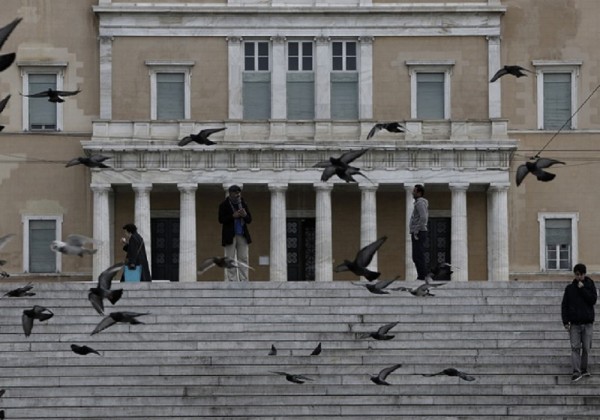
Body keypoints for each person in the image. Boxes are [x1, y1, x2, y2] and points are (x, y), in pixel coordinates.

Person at [562, 263, 597, 382]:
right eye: (576, 275)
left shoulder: (590, 285)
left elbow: (592, 300)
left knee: (586, 348)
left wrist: (583, 289)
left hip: (587, 323)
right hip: (575, 324)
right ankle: (576, 371)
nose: (577, 277)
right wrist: (565, 322)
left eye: (579, 275)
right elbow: (564, 305)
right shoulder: (570, 288)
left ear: (584, 274)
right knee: (575, 348)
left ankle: (584, 369)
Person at [218, 185, 252, 281]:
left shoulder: (243, 204)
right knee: (230, 258)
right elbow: (221, 220)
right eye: (236, 193)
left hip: (242, 234)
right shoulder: (224, 205)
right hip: (230, 235)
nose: (238, 195)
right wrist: (233, 216)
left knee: (243, 258)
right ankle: (232, 279)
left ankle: (244, 279)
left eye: (239, 193)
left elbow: (249, 220)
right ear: (230, 193)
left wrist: (245, 215)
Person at [409, 184, 430, 281]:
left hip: (419, 232)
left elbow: (423, 218)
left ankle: (423, 276)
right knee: (416, 256)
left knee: (418, 255)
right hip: (418, 231)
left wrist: (416, 230)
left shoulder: (420, 203)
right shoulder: (418, 203)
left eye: (414, 191)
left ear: (419, 192)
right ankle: (422, 275)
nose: (413, 192)